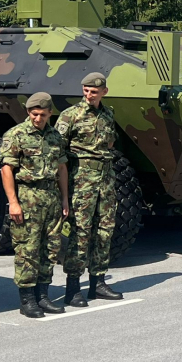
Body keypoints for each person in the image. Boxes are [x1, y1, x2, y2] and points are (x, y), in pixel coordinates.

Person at [0, 92, 70, 317]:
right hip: (28, 196)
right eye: (33, 114)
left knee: (49, 249)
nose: (37, 118)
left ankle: (43, 296)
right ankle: (27, 300)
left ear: (50, 113)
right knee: (27, 249)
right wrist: (13, 202)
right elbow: (6, 169)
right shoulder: (16, 134)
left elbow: (61, 169)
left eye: (42, 114)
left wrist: (65, 199)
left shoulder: (55, 137)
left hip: (51, 197)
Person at [57, 72, 122, 307]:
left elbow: (110, 142)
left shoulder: (108, 114)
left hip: (105, 177)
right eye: (86, 90)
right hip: (81, 180)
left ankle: (98, 283)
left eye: (94, 92)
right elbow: (57, 150)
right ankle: (73, 287)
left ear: (104, 91)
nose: (89, 95)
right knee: (80, 232)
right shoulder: (70, 115)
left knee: (105, 230)